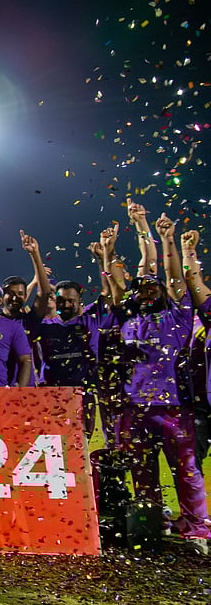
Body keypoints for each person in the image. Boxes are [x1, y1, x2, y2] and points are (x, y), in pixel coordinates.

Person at [109, 219, 208, 554]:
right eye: (142, 289)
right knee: (143, 470)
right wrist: (110, 252)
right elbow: (117, 283)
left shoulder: (178, 318)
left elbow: (176, 278)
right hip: (134, 408)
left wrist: (167, 240)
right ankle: (154, 521)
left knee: (186, 469)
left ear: (164, 292)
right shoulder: (129, 320)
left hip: (172, 409)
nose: (146, 292)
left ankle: (196, 528)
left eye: (153, 288)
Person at [20, 230, 113, 437]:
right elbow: (40, 296)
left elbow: (107, 294)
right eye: (62, 301)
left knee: (83, 443)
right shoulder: (44, 325)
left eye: (71, 301)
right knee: (54, 443)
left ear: (80, 300)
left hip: (84, 392)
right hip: (52, 392)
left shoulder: (90, 318)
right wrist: (35, 255)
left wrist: (101, 259)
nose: (66, 305)